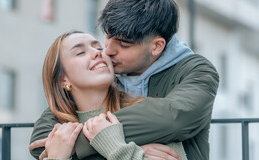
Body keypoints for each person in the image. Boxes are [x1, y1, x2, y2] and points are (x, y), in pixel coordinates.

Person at [30, 0, 219, 160]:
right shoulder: (106, 73)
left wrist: (73, 143)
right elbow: (41, 143)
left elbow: (173, 118)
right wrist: (132, 152)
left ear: (156, 46)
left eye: (123, 44)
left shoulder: (197, 71)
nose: (106, 51)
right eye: (108, 37)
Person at [39, 30, 187, 160]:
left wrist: (118, 149)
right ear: (62, 79)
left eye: (98, 48)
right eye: (80, 52)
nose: (98, 52)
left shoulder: (149, 112)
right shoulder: (59, 138)